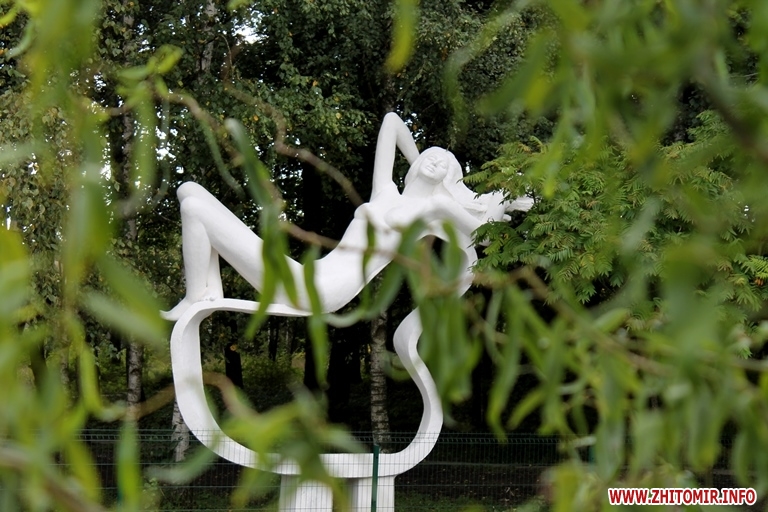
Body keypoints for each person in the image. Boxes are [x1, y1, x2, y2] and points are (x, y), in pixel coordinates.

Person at [161, 113, 532, 321]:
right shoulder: (385, 193)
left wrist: (506, 200)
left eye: (446, 166)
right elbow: (391, 122)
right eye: (432, 156)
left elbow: (483, 235)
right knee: (188, 191)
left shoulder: (433, 210)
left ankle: (196, 298)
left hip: (324, 289)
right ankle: (209, 289)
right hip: (311, 273)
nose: (437, 161)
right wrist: (424, 155)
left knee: (194, 209)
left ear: (449, 182)